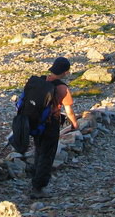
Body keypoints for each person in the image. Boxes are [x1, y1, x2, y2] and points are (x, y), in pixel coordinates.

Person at [30, 56, 79, 199]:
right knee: (47, 155)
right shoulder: (62, 88)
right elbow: (69, 111)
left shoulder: (41, 81)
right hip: (51, 123)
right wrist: (75, 124)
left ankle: (34, 181)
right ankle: (38, 188)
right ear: (65, 72)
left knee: (38, 151)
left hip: (36, 121)